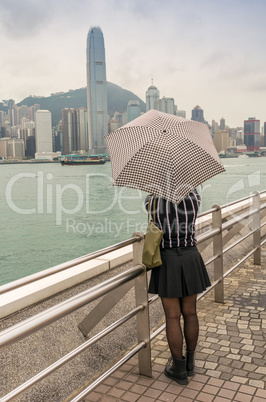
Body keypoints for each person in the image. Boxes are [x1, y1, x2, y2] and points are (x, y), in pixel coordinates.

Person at [145, 189, 211, 385]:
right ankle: (190, 364)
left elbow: (150, 212)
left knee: (172, 316)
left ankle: (179, 369)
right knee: (190, 313)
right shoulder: (195, 197)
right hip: (190, 256)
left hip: (167, 259)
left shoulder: (154, 199)